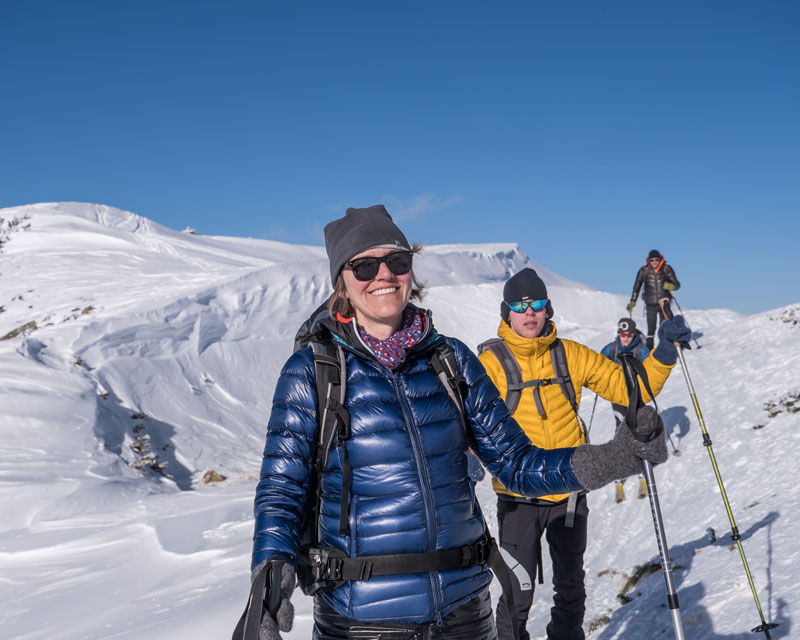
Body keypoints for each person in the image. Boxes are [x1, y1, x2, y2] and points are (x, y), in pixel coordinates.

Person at [246, 205, 673, 640]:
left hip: (465, 613)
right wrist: (269, 574)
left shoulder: (450, 360)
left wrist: (616, 458)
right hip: (363, 620)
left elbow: (516, 463)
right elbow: (283, 487)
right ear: (342, 280)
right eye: (364, 265)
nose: (384, 275)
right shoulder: (313, 371)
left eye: (397, 261)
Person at [478, 268, 690, 640]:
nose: (529, 312)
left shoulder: (570, 355)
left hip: (570, 494)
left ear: (548, 309)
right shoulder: (489, 364)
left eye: (537, 304)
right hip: (517, 499)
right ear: (506, 312)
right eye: (519, 305)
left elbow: (632, 389)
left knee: (571, 589)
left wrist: (665, 352)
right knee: (516, 595)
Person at [600, 318, 651, 502]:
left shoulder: (641, 350)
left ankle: (641, 464)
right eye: (623, 334)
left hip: (636, 396)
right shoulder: (611, 348)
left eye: (629, 334)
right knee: (621, 428)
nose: (626, 338)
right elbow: (598, 364)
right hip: (617, 396)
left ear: (634, 334)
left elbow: (650, 369)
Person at [627, 249, 680, 349]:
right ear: (648, 261)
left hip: (664, 303)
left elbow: (676, 285)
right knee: (651, 329)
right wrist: (632, 302)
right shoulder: (644, 270)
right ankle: (649, 352)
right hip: (650, 303)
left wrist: (670, 286)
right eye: (652, 260)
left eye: (656, 259)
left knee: (664, 327)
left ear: (660, 259)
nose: (654, 262)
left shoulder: (666, 269)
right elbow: (636, 287)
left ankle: (665, 349)